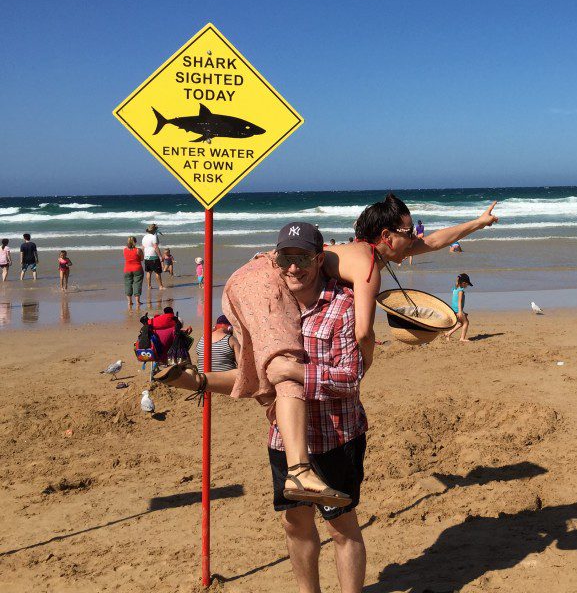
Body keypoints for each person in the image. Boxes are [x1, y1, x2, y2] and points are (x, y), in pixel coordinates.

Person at [156, 196, 499, 592]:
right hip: (285, 436)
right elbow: (365, 335)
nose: (417, 237)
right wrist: (364, 360)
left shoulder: (345, 292)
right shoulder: (360, 271)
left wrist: (477, 222)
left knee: (342, 527)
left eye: (303, 258)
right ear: (387, 237)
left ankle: (212, 390)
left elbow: (436, 240)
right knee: (295, 520)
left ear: (320, 258)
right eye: (410, 231)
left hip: (337, 435)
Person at [442, 273, 473, 342]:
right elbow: (459, 301)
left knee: (460, 323)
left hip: (454, 309)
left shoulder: (455, 289)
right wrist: (460, 312)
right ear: (464, 283)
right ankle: (462, 338)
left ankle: (448, 334)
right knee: (466, 323)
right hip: (457, 310)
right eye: (467, 284)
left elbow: (455, 301)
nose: (467, 286)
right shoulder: (460, 291)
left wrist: (461, 311)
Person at [142, 224, 165, 290]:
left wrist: (143, 255)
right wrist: (160, 256)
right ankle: (160, 286)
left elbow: (143, 247)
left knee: (149, 272)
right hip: (154, 256)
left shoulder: (144, 237)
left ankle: (149, 286)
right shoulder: (153, 237)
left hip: (147, 256)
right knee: (157, 272)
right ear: (154, 230)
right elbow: (155, 247)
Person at [123, 236, 144, 308]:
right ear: (135, 242)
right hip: (137, 268)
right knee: (137, 284)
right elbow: (142, 259)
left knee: (128, 284)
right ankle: (137, 301)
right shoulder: (138, 250)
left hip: (127, 269)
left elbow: (126, 258)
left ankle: (129, 302)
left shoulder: (124, 250)